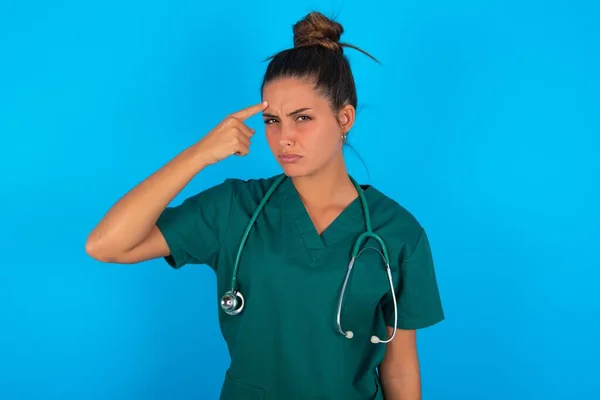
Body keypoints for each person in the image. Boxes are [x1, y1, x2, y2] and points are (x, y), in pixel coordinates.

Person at [86, 10, 444, 400]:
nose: (284, 138)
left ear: (345, 118)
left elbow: (401, 369)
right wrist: (199, 154)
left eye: (302, 118)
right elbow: (106, 245)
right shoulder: (234, 208)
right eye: (272, 120)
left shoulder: (397, 232)